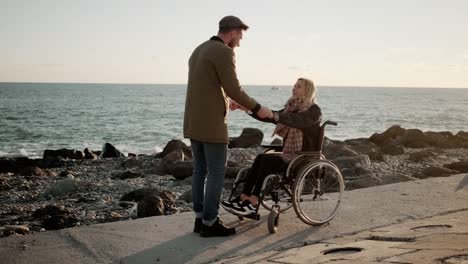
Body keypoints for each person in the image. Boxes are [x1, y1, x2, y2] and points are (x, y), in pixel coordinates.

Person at [184, 15, 273, 237]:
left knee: (200, 170)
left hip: (193, 120)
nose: (240, 41)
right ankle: (211, 222)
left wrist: (226, 100)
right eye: (240, 36)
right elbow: (233, 87)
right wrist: (256, 108)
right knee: (216, 172)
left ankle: (199, 219)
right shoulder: (224, 51)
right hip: (212, 123)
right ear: (232, 32)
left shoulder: (199, 49)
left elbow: (208, 85)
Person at [221, 78, 322, 216]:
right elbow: (269, 116)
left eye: (298, 86)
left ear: (307, 90)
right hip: (290, 153)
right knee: (261, 157)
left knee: (269, 161)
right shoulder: (291, 108)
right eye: (294, 85)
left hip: (303, 157)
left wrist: (276, 116)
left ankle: (253, 202)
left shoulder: (314, 111)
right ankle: (244, 198)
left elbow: (298, 121)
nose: (294, 88)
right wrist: (244, 108)